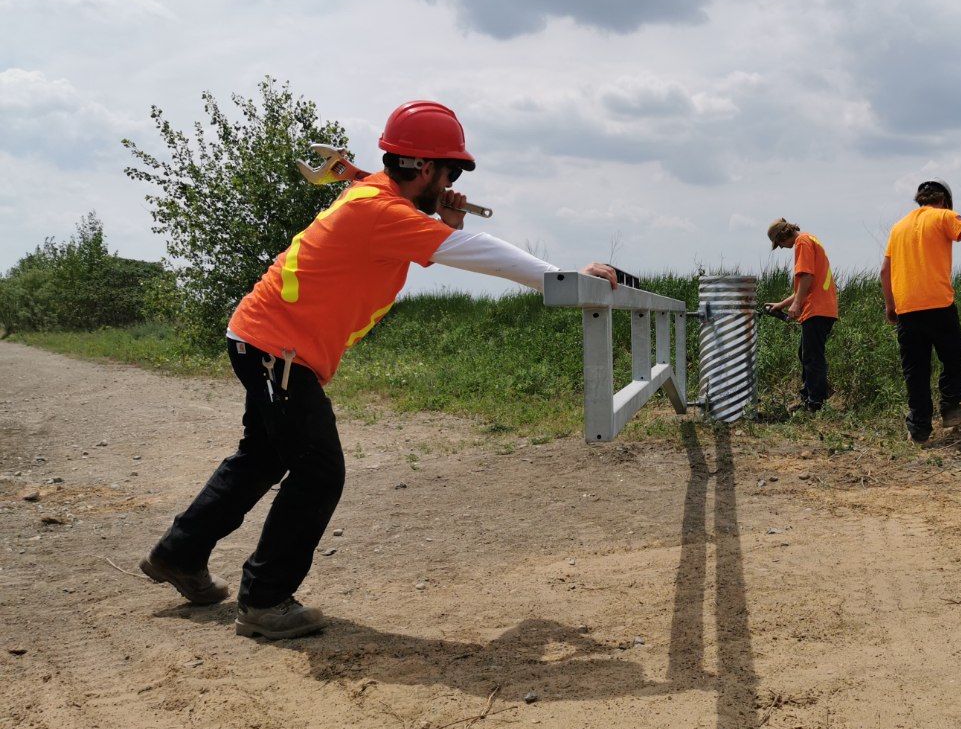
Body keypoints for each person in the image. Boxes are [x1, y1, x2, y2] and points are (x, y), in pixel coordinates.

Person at [139, 100, 618, 639]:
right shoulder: (380, 210)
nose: (453, 179)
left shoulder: (374, 199)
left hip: (266, 341)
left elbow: (428, 239)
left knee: (261, 459)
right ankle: (265, 601)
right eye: (451, 169)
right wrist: (564, 279)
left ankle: (178, 556)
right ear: (427, 168)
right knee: (319, 470)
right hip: (278, 349)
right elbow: (478, 252)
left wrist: (442, 219)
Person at [879, 178, 961, 443]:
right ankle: (951, 408)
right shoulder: (943, 216)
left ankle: (918, 430)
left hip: (907, 310)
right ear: (945, 201)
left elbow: (885, 271)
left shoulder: (899, 227)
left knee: (915, 371)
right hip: (939, 307)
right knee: (954, 357)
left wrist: (890, 305)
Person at [765, 218, 838, 413]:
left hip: (817, 308)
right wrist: (782, 304)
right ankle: (810, 397)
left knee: (812, 357)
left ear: (783, 235)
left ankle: (815, 403)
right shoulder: (810, 239)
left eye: (779, 243)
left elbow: (806, 277)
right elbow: (805, 285)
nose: (781, 248)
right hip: (823, 307)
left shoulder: (802, 242)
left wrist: (797, 304)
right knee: (806, 354)